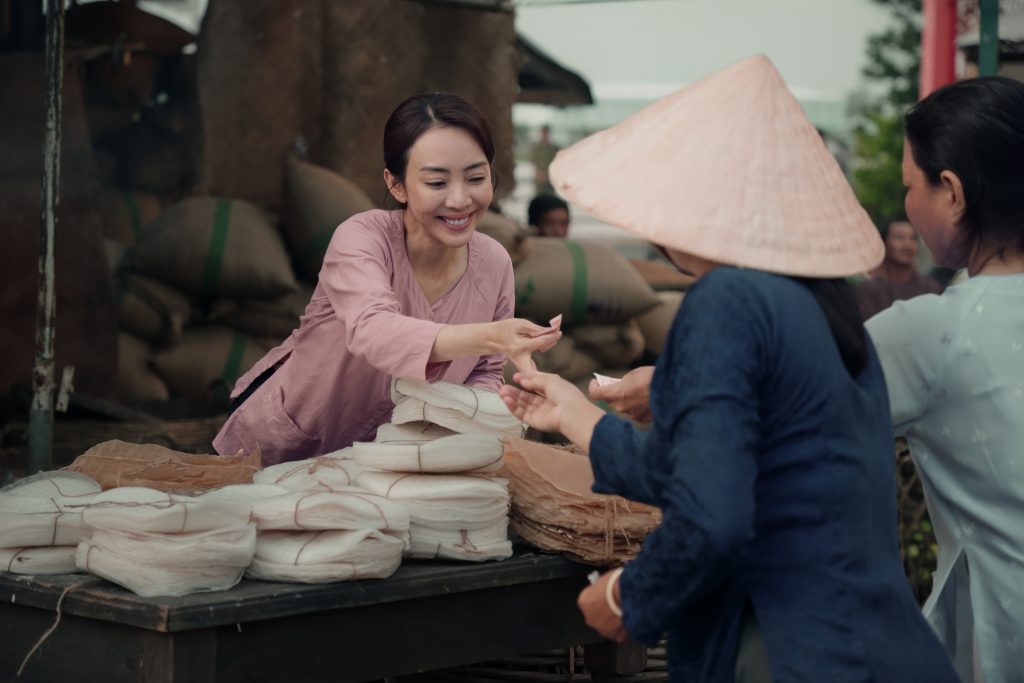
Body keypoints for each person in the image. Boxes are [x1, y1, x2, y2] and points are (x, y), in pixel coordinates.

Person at [500, 55, 957, 682]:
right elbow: (710, 471)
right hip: (877, 645)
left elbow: (712, 515)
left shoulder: (727, 300)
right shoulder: (822, 306)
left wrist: (627, 597)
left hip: (793, 649)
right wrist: (575, 414)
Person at [214, 93, 560, 466]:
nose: (460, 200)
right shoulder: (361, 238)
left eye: (476, 178)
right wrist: (492, 335)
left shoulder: (494, 262)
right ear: (396, 185)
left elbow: (484, 370)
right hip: (282, 452)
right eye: (437, 183)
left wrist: (469, 423)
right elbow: (374, 329)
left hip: (389, 468)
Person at [865, 76, 1024, 683]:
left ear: (951, 193)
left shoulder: (934, 330)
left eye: (910, 186)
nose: (907, 205)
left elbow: (788, 410)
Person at [855, 219, 941, 320]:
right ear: (884, 243)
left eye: (913, 238)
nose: (907, 244)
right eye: (899, 237)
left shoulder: (929, 288)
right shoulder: (868, 290)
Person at [528, 124, 559, 196]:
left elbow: (557, 164)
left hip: (550, 180)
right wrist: (540, 174)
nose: (545, 134)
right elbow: (534, 163)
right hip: (540, 180)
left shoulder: (554, 148)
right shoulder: (536, 149)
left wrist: (548, 175)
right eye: (543, 132)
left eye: (546, 132)